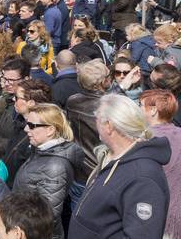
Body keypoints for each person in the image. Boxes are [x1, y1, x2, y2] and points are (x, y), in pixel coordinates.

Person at [68, 94, 170, 238]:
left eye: (96, 118)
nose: (94, 124)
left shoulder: (143, 177)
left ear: (108, 126)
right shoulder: (114, 157)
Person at [12, 103, 83, 239]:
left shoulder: (55, 166)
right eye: (27, 124)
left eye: (32, 125)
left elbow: (47, 217)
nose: (26, 129)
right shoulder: (41, 150)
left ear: (50, 130)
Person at [64, 60, 109, 209]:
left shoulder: (73, 101)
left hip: (79, 171)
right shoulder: (108, 106)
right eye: (108, 76)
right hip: (101, 172)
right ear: (102, 82)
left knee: (78, 215)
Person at [139, 89, 181, 239]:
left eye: (140, 105)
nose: (137, 110)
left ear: (153, 111)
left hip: (152, 216)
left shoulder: (143, 140)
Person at [3, 79, 52, 185]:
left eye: (17, 97)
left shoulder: (38, 136)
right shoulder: (20, 122)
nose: (13, 99)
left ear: (31, 103)